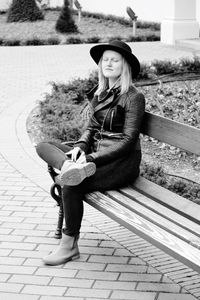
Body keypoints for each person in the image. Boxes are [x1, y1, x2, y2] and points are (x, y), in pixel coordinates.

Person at [36, 40, 145, 266]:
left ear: (125, 66)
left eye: (114, 60)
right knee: (44, 145)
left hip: (120, 163)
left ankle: (68, 247)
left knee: (72, 184)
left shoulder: (133, 97)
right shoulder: (100, 93)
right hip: (90, 158)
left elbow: (127, 142)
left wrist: (91, 158)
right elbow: (91, 129)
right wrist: (80, 149)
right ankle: (69, 168)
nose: (109, 63)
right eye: (105, 59)